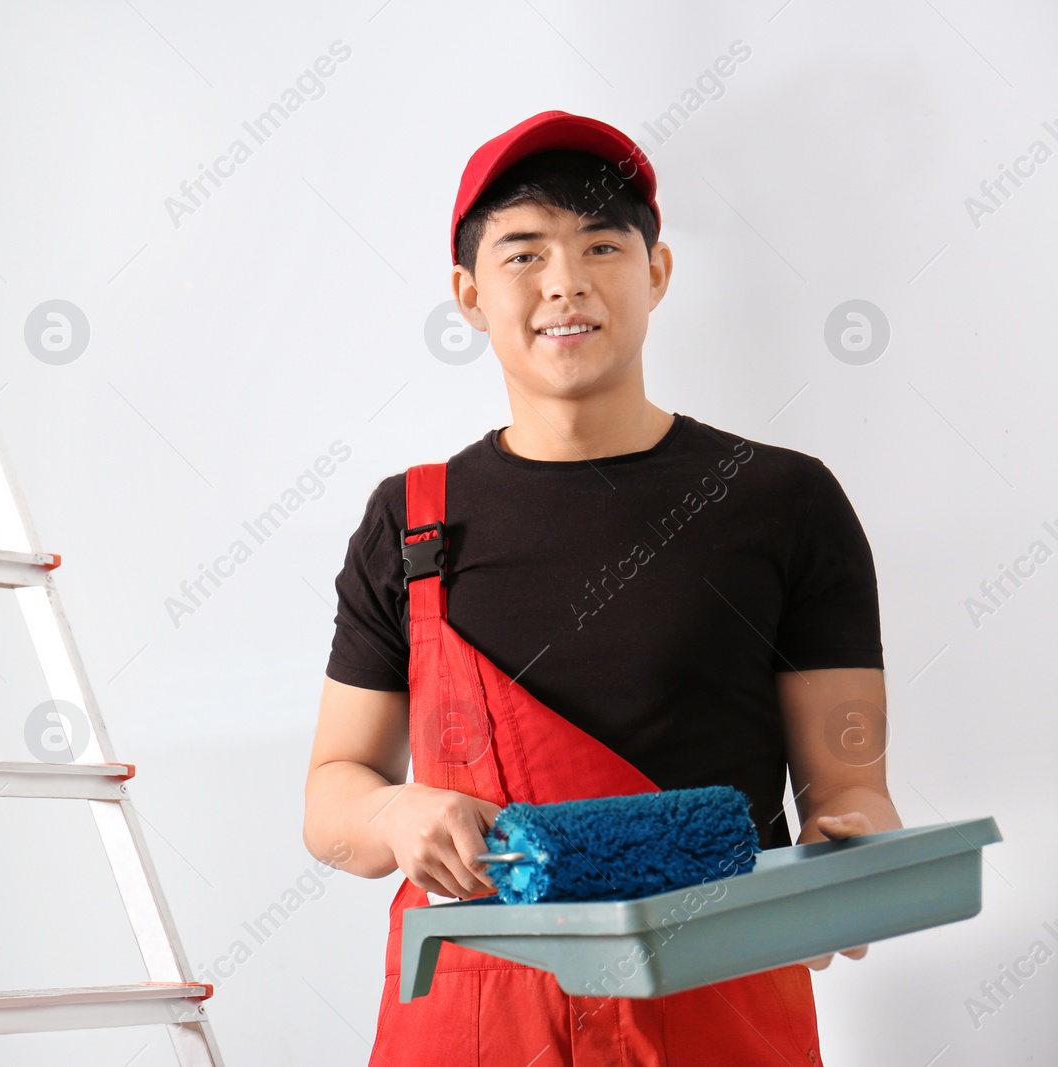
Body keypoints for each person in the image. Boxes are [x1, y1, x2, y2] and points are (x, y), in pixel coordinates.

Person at [301, 111, 902, 1065]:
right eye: (524, 253)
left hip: (715, 1007)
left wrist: (849, 858)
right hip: (474, 1027)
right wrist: (392, 812)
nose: (565, 282)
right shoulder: (409, 523)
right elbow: (331, 800)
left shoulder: (785, 502)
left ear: (656, 273)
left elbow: (850, 787)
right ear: (468, 294)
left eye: (602, 244)